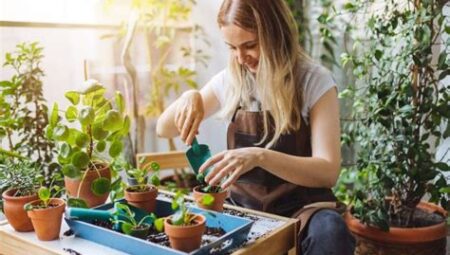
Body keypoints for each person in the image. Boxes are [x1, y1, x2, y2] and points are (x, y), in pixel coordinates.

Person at [157, 0, 355, 254]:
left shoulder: (313, 81)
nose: (241, 58)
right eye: (232, 48)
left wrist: (260, 157)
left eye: (250, 45)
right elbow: (164, 128)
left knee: (331, 233)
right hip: (243, 206)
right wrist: (190, 96)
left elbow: (327, 171)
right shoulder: (232, 79)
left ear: (276, 35)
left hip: (303, 208)